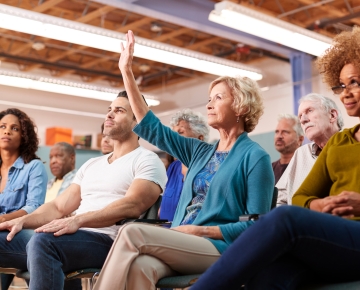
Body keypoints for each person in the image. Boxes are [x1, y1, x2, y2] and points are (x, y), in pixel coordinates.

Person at [92, 30, 274, 290]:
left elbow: (258, 229)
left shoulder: (255, 157)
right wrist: (126, 72)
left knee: (131, 230)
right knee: (141, 267)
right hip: (181, 240)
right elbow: (151, 126)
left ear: (242, 107)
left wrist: (201, 231)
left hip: (219, 247)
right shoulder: (200, 151)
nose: (209, 105)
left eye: (218, 98)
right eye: (209, 99)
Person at [189, 26, 360, 290]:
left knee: (285, 219)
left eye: (355, 82)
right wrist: (321, 206)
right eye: (341, 85)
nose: (346, 92)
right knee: (270, 273)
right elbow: (302, 197)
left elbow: (292, 211)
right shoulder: (340, 141)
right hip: (330, 240)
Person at [0, 92, 167, 290]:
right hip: (72, 238)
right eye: (109, 110)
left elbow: (132, 205)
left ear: (137, 121)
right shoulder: (92, 164)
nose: (110, 115)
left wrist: (77, 220)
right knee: (38, 242)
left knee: (44, 243)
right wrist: (20, 221)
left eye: (119, 110)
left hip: (111, 242)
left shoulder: (147, 160)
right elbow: (57, 206)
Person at [0, 108, 47, 290]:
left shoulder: (33, 167)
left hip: (22, 231)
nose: (7, 131)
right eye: (2, 126)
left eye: (14, 128)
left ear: (24, 136)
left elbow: (33, 207)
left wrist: (4, 219)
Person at [276, 93, 343, 206]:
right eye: (300, 116)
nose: (303, 120)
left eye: (309, 111)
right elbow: (279, 198)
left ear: (332, 115)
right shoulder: (301, 154)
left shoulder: (353, 146)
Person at [159, 109, 210, 221]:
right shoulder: (173, 167)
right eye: (173, 134)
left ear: (199, 138)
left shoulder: (208, 169)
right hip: (163, 231)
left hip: (188, 234)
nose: (174, 139)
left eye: (180, 133)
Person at [272, 114, 304, 183]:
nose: (279, 136)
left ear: (300, 139)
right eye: (277, 132)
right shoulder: (269, 169)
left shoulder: (306, 166)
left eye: (285, 132)